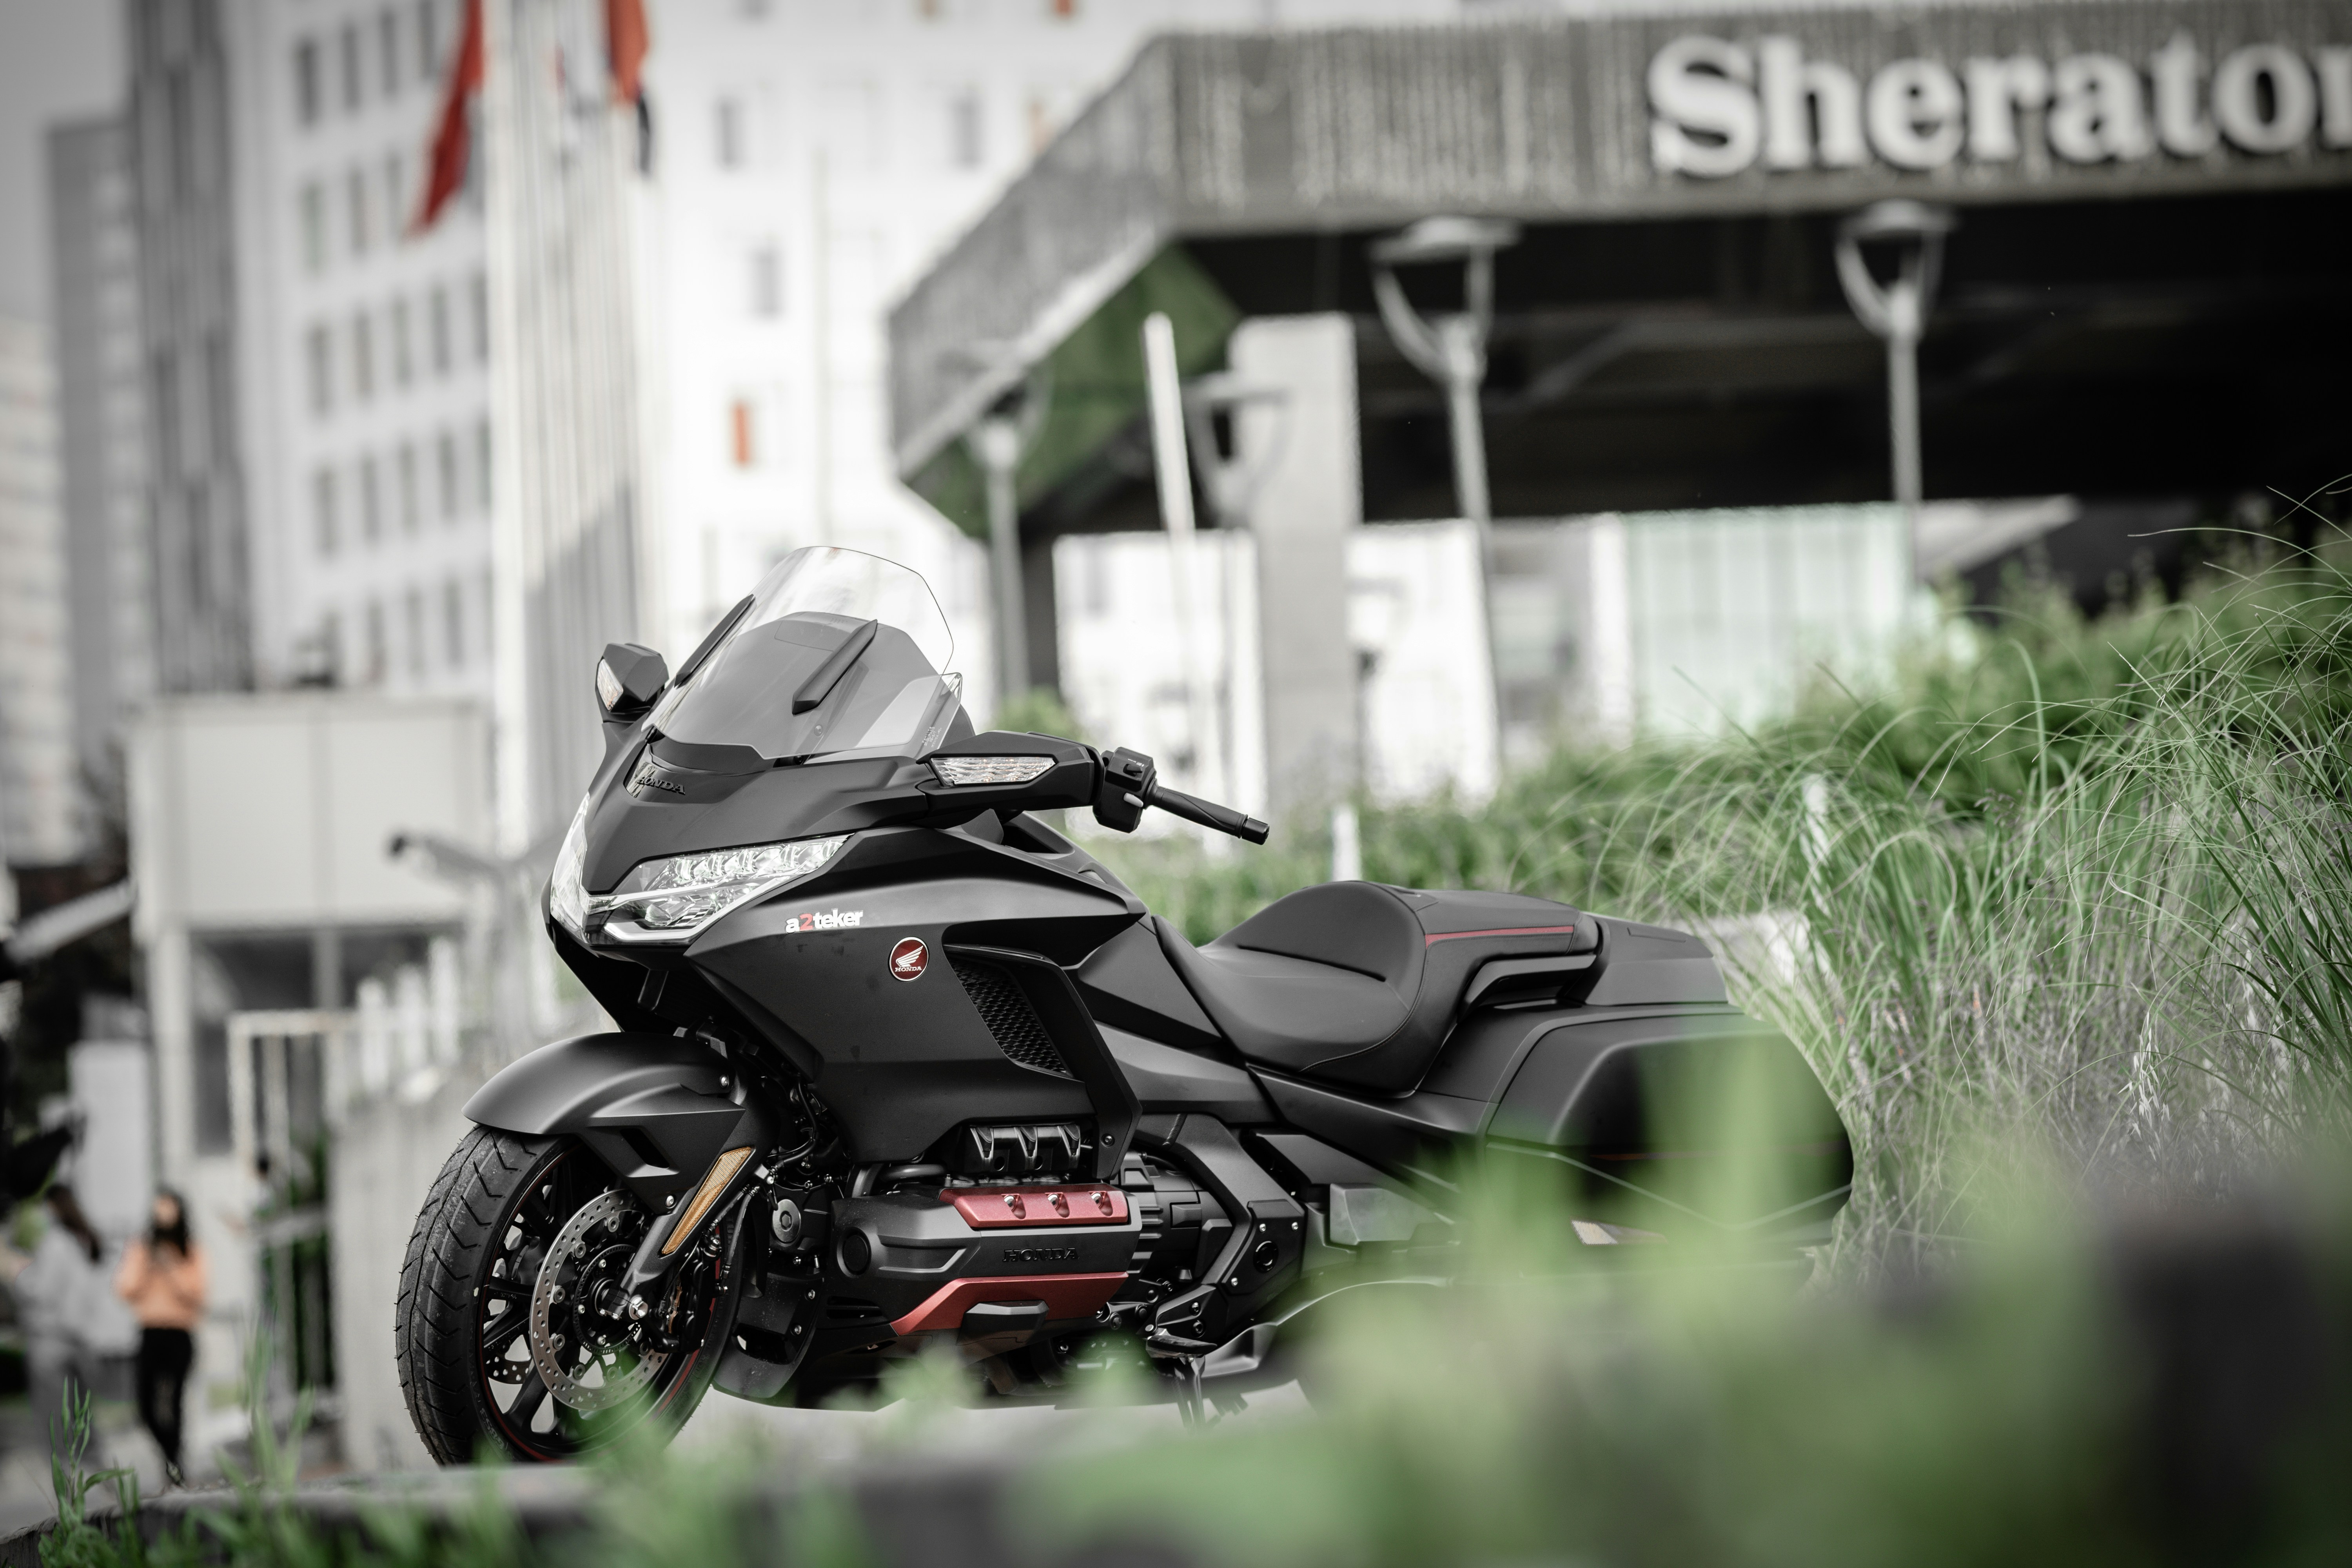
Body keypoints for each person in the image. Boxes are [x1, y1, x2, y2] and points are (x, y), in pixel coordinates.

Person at [5, 1187, 113, 1463]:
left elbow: (42, 1291)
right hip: (82, 1339)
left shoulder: (55, 1243)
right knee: (83, 1418)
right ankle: (101, 1476)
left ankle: (68, 1480)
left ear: (52, 1206)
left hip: (51, 1339)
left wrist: (17, 1274)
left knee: (56, 1420)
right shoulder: (84, 1241)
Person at [115, 1190, 205, 1485]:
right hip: (150, 1333)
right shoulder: (141, 1249)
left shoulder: (190, 1251)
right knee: (145, 1408)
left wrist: (172, 1268)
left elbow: (197, 1293)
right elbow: (125, 1288)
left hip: (179, 1333)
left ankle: (176, 1471)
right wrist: (148, 1266)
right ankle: (172, 1459)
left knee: (174, 1403)